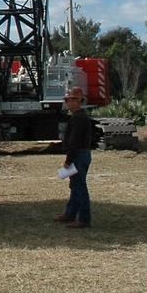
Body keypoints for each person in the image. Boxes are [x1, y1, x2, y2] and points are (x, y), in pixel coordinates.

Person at [56, 86, 92, 228]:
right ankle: (70, 213)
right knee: (75, 185)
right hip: (81, 155)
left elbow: (74, 141)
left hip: (78, 155)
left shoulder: (78, 118)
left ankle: (83, 218)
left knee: (80, 187)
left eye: (69, 100)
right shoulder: (80, 116)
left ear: (77, 101)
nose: (67, 103)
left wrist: (68, 160)